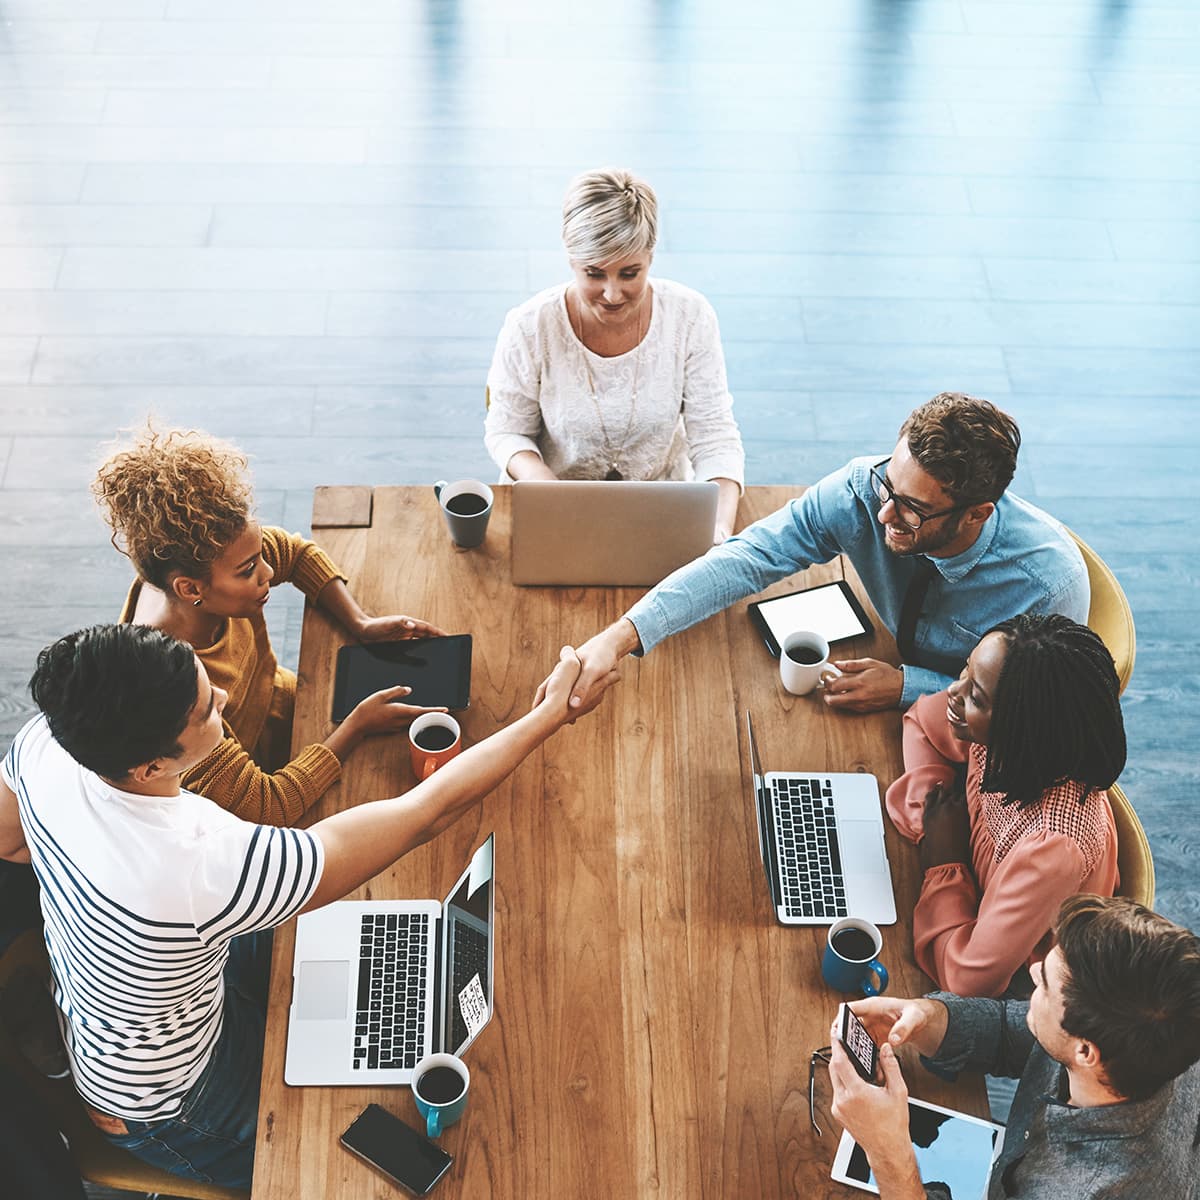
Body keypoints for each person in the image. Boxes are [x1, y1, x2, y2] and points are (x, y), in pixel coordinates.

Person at [0, 624, 605, 1189]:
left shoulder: (44, 742)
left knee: (368, 955)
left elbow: (8, 839)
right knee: (332, 1168)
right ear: (151, 765)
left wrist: (89, 880)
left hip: (136, 1017)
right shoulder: (201, 862)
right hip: (169, 1100)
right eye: (207, 708)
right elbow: (425, 815)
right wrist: (549, 715)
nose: (224, 697)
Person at [566, 392, 1089, 714]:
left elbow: (1035, 712)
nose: (883, 514)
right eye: (890, 483)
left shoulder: (1049, 586)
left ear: (976, 513)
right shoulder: (864, 488)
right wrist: (621, 636)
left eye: (912, 509)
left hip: (963, 736)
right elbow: (748, 557)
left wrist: (910, 687)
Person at [93, 425, 447, 825]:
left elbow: (296, 554)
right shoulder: (172, 691)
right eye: (248, 571)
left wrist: (361, 623)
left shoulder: (207, 563)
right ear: (190, 588)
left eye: (260, 554)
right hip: (249, 785)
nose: (268, 573)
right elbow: (269, 806)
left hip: (285, 709)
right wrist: (356, 727)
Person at [827, 895, 1200, 1200]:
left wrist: (888, 1155)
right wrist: (927, 1016)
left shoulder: (1082, 1189)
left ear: (1086, 1052)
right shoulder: (1160, 1032)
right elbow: (1012, 1034)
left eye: (1048, 985)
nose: (1034, 971)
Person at [484, 166, 745, 543]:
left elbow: (716, 436)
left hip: (665, 510)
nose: (611, 294)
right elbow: (507, 432)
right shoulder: (528, 326)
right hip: (556, 512)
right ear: (571, 261)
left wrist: (718, 529)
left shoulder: (690, 316)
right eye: (593, 273)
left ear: (651, 257)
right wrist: (552, 493)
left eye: (629, 273)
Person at [884, 614, 1125, 997]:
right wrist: (934, 818)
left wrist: (945, 859)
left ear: (1024, 728)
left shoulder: (1052, 847)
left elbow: (968, 981)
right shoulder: (1000, 737)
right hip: (977, 914)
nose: (953, 691)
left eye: (976, 696)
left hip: (1026, 983)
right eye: (966, 668)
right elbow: (921, 723)